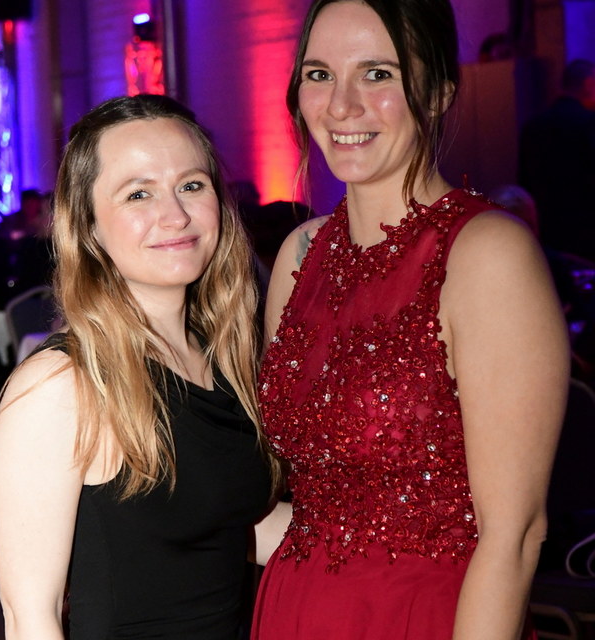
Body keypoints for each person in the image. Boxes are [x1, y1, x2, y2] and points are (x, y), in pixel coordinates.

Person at [250, 1, 569, 639]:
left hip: (429, 618)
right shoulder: (299, 256)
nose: (341, 105)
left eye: (378, 73)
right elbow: (307, 511)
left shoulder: (486, 254)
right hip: (294, 609)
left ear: (440, 90)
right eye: (319, 74)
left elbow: (514, 537)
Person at [0, 94, 277, 640]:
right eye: (138, 193)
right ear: (89, 228)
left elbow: (223, 528)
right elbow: (30, 619)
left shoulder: (222, 360)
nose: (176, 215)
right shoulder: (61, 386)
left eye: (192, 185)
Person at [518, 58, 595, 262]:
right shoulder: (588, 123)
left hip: (546, 232)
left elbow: (524, 183)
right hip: (586, 233)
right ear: (588, 84)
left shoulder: (533, 126)